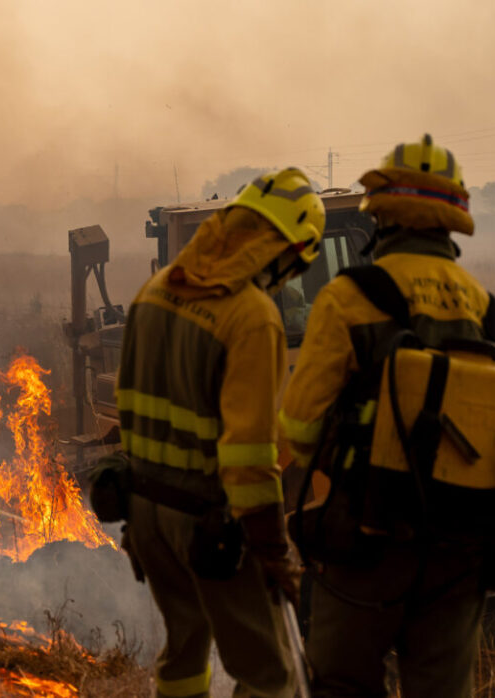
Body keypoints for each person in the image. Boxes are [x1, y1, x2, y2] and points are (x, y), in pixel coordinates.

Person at [279, 135, 495, 697]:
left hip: (367, 540)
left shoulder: (348, 298)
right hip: (461, 548)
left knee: (341, 683)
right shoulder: (493, 318)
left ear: (382, 215)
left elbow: (299, 425)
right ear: (452, 220)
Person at [117, 168, 324, 698]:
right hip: (211, 523)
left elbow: (128, 411)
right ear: (284, 250)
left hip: (146, 512)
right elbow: (250, 457)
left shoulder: (155, 292)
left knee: (183, 654)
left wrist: (139, 518)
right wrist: (274, 550)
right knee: (268, 674)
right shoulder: (252, 316)